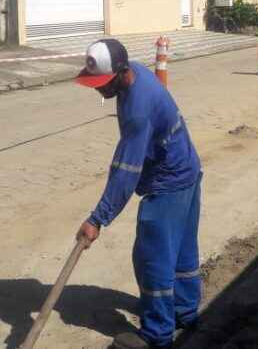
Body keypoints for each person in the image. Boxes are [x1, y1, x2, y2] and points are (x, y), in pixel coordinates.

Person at [75, 39, 202, 349]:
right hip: (187, 169)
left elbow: (125, 173)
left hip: (169, 181)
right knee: (182, 249)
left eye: (102, 83)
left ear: (120, 73)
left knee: (152, 257)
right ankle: (186, 312)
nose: (97, 89)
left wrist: (97, 219)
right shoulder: (135, 73)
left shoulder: (138, 110)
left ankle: (158, 333)